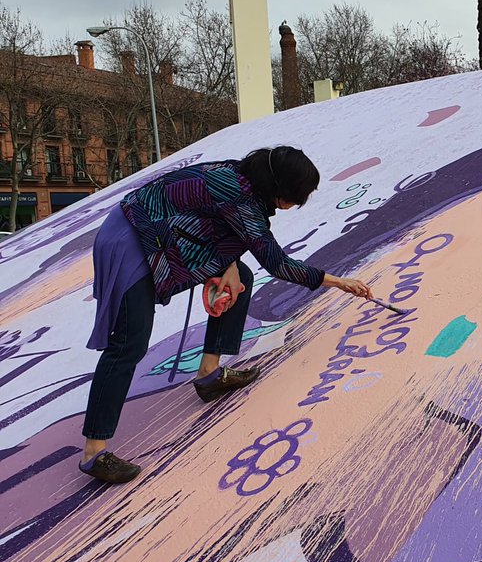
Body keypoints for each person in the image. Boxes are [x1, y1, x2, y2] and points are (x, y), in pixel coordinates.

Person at [81, 145, 373, 484]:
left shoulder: (242, 177)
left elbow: (213, 219)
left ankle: (208, 375)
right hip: (131, 238)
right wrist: (336, 281)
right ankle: (94, 452)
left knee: (241, 278)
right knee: (128, 342)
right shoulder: (243, 200)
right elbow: (277, 263)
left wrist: (229, 265)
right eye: (296, 197)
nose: (294, 206)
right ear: (281, 190)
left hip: (155, 228)